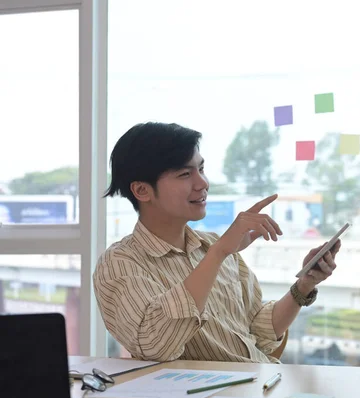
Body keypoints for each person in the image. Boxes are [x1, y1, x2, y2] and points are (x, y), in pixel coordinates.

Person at [93, 122, 341, 363]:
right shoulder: (120, 263)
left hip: (257, 385)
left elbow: (258, 334)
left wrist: (305, 285)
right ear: (142, 191)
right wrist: (219, 253)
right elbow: (155, 345)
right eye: (184, 174)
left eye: (201, 169)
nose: (202, 183)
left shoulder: (215, 247)